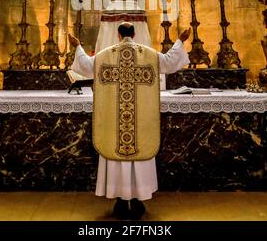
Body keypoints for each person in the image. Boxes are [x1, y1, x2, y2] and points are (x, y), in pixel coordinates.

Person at [69, 22, 190, 220]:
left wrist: (77, 46)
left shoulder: (106, 54)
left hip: (115, 122)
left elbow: (86, 67)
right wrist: (180, 41)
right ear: (134, 34)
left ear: (118, 35)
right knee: (140, 148)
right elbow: (169, 62)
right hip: (140, 123)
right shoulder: (148, 54)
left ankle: (119, 199)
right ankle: (137, 198)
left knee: (115, 148)